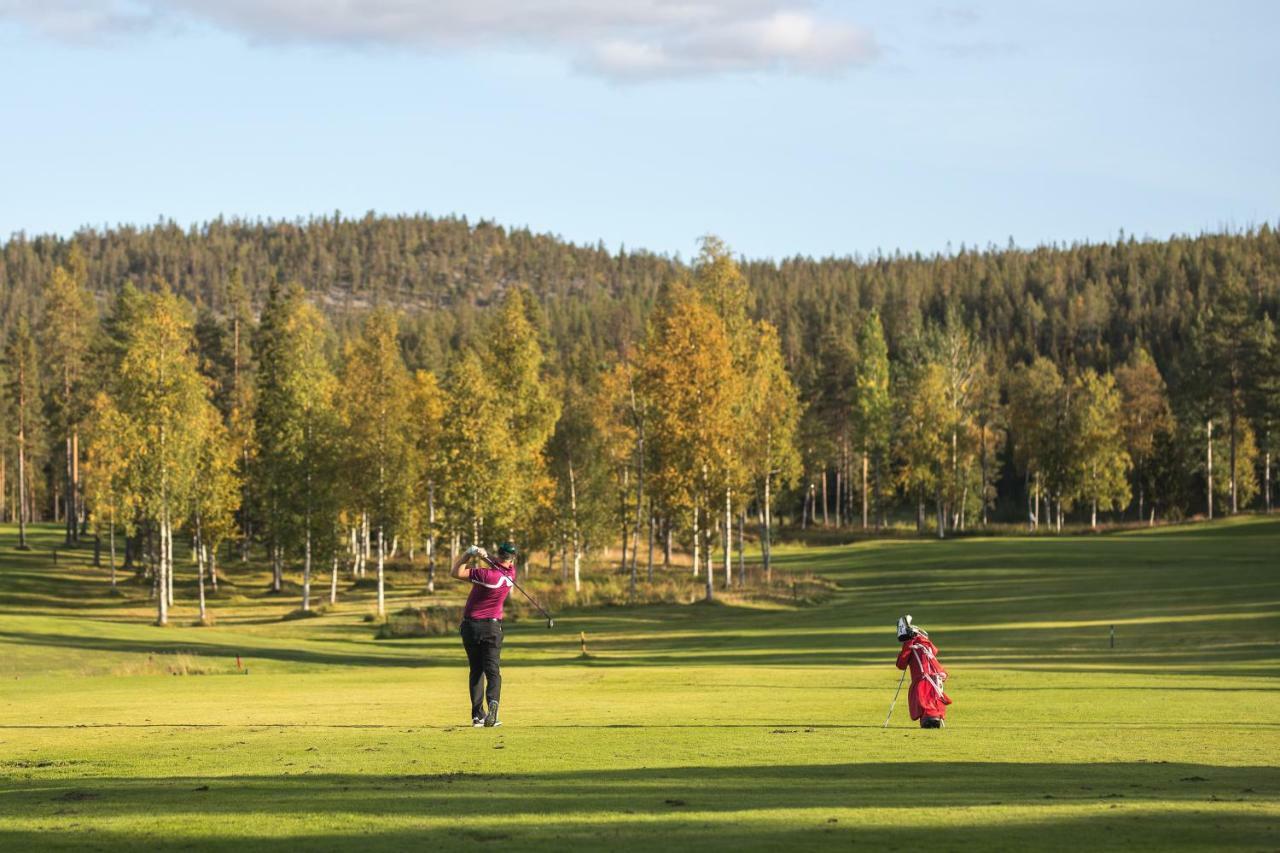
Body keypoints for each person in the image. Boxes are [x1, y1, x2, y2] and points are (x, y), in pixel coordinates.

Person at [452, 542, 518, 728]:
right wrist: (484, 554)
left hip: (471, 627)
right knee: (493, 671)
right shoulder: (511, 574)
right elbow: (498, 563)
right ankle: (493, 706)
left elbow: (456, 572)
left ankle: (477, 716)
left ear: (499, 554)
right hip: (493, 629)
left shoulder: (486, 575)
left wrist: (468, 554)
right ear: (513, 558)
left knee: (476, 671)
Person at [895, 614, 951, 728]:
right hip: (934, 680)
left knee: (923, 699)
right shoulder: (926, 646)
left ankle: (930, 718)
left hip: (923, 681)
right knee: (930, 701)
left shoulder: (914, 646)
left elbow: (901, 664)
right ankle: (933, 718)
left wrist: (908, 644)